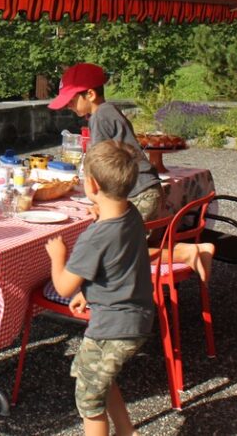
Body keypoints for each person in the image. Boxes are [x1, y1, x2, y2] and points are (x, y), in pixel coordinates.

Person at [49, 63, 214, 283]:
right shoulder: (110, 111)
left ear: (90, 94)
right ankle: (179, 259)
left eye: (71, 99)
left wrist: (99, 200)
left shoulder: (100, 117)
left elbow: (101, 163)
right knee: (137, 245)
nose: (68, 105)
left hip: (137, 192)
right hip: (147, 188)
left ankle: (188, 253)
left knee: (121, 254)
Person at [45, 140, 154, 436]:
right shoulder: (130, 214)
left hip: (112, 328)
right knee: (97, 377)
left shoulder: (94, 238)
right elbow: (116, 264)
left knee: (89, 401)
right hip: (137, 317)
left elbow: (63, 285)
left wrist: (59, 257)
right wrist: (89, 292)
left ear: (91, 185)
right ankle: (126, 431)